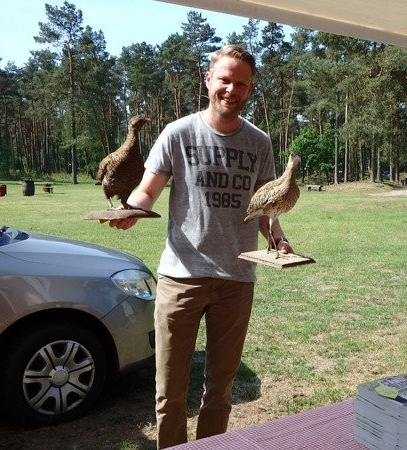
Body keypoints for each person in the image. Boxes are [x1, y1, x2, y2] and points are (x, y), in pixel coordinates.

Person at [105, 44, 293, 449]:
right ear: (208, 80)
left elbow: (266, 205)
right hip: (181, 277)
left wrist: (277, 238)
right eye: (224, 79)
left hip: (237, 279)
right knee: (169, 393)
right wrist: (130, 211)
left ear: (250, 88)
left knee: (220, 391)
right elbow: (147, 190)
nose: (232, 90)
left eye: (241, 84)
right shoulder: (178, 133)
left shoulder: (259, 142)